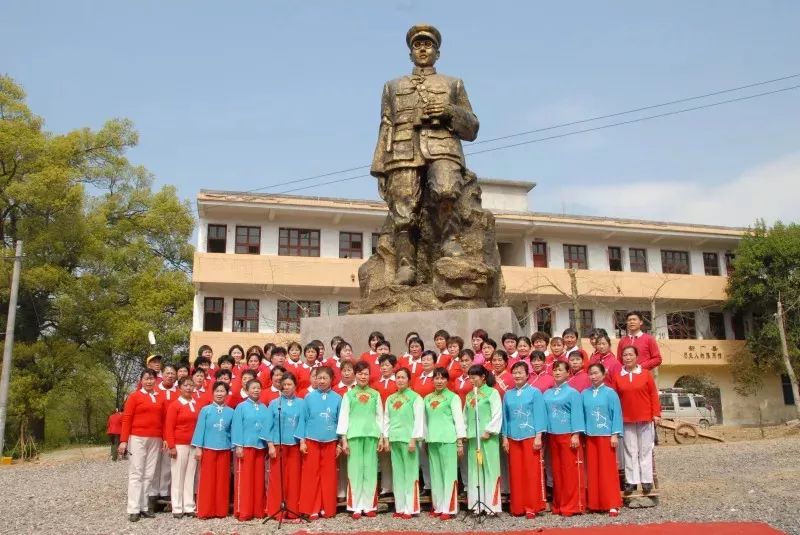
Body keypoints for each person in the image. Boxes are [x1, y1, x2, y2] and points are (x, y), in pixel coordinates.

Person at [336, 361, 385, 519]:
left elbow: (380, 417)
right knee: (355, 470)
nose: (363, 376)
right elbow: (344, 417)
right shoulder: (348, 395)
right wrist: (344, 439)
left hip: (371, 435)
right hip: (354, 436)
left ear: (369, 375)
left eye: (366, 373)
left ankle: (369, 505)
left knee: (370, 470)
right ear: (355, 375)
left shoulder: (375, 394)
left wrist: (381, 437)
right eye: (360, 373)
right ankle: (355, 506)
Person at [502, 362, 547, 518]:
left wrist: (538, 436)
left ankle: (532, 506)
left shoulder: (535, 393)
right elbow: (505, 418)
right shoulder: (508, 394)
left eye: (520, 372)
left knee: (531, 472)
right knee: (515, 472)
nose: (517, 375)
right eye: (514, 372)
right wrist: (505, 438)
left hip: (530, 437)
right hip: (513, 437)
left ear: (527, 375)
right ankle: (518, 506)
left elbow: (540, 414)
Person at [119, 369, 166, 522]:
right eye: (146, 378)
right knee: (136, 472)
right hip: (138, 437)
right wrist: (123, 440)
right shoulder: (134, 396)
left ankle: (144, 506)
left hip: (155, 438)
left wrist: (165, 438)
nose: (149, 381)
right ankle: (133, 508)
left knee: (149, 473)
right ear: (141, 380)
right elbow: (127, 418)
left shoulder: (160, 397)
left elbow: (164, 419)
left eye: (152, 379)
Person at [614, 345, 661, 494]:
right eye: (625, 355)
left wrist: (656, 414)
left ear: (637, 356)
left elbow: (653, 394)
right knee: (630, 450)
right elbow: (615, 399)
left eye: (630, 355)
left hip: (645, 417)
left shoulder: (646, 374)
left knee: (645, 450)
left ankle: (646, 480)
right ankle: (631, 481)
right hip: (626, 419)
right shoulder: (618, 376)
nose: (627, 357)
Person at [543, 361, 586, 516]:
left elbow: (577, 413)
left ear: (568, 372)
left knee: (570, 471)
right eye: (554, 370)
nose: (557, 372)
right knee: (557, 471)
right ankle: (559, 504)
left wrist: (576, 434)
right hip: (552, 436)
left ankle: (573, 505)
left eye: (560, 370)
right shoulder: (547, 393)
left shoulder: (573, 393)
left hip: (568, 435)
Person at [299, 367, 342, 520]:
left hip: (331, 441)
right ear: (315, 380)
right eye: (319, 378)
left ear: (331, 380)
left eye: (325, 378)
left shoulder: (338, 398)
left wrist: (339, 443)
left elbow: (340, 422)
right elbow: (303, 420)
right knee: (311, 475)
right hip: (312, 441)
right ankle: (312, 508)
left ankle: (327, 508)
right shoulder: (309, 397)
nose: (322, 381)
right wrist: (302, 441)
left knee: (329, 475)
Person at [424, 367, 466, 520]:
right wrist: (425, 437)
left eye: (442, 378)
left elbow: (459, 420)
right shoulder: (427, 398)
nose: (439, 381)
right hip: (432, 439)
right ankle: (438, 506)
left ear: (447, 381)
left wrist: (459, 442)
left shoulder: (453, 397)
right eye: (436, 378)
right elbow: (425, 421)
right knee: (435, 475)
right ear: (432, 380)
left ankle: (450, 507)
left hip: (449, 439)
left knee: (449, 474)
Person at [582, 363, 623, 516]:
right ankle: (595, 503)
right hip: (590, 436)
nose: (593, 376)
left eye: (595, 373)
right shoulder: (584, 393)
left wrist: (615, 434)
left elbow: (616, 414)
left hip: (606, 436)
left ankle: (612, 503)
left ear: (603, 374)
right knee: (592, 470)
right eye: (590, 374)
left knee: (608, 470)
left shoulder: (610, 393)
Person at [264, 373, 306, 521]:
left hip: (294, 446)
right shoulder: (275, 403)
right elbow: (268, 425)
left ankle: (293, 511)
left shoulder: (302, 403)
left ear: (295, 386)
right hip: (278, 445)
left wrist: (301, 442)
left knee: (294, 479)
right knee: (277, 479)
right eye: (284, 385)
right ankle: (277, 511)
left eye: (289, 384)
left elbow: (303, 424)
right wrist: (270, 445)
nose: (286, 387)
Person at [383, 367, 424, 518]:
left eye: (403, 377)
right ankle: (400, 507)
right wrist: (386, 438)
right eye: (398, 377)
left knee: (410, 473)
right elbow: (386, 419)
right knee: (398, 474)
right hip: (394, 439)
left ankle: (411, 507)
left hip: (409, 440)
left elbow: (419, 420)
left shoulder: (415, 398)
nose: (400, 380)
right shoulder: (390, 398)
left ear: (408, 379)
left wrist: (414, 439)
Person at [192, 381, 235, 519]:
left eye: (222, 391)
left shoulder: (231, 412)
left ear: (227, 394)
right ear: (213, 393)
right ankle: (205, 510)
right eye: (217, 391)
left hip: (224, 449)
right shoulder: (206, 410)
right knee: (207, 480)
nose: (219, 394)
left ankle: (221, 510)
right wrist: (198, 448)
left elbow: (233, 431)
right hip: (208, 449)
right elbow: (200, 430)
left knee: (223, 480)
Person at [463, 365, 502, 515]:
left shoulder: (492, 393)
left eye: (474, 377)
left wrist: (489, 430)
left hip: (487, 437)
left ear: (483, 377)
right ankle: (476, 504)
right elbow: (465, 415)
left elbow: (497, 413)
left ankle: (492, 505)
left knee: (490, 469)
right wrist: (465, 432)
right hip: (474, 437)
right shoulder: (469, 395)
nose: (471, 380)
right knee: (475, 470)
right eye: (470, 377)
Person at [231, 378, 270, 521]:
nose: (256, 390)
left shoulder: (264, 407)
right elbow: (237, 427)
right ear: (247, 390)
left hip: (260, 447)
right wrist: (238, 446)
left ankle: (258, 510)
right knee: (245, 480)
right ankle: (244, 510)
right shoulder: (241, 407)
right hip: (245, 447)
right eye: (253, 388)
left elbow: (267, 427)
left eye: (258, 388)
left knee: (259, 480)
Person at [164, 376, 199, 518]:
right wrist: (171, 446)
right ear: (180, 388)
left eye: (191, 385)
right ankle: (177, 507)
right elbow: (169, 427)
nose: (189, 388)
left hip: (193, 444)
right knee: (178, 476)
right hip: (179, 444)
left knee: (190, 476)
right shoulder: (175, 405)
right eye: (186, 385)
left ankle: (189, 505)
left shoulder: (196, 404)